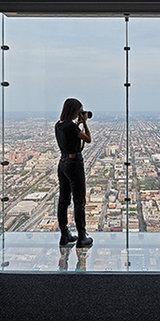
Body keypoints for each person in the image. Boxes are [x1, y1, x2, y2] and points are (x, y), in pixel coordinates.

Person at [55, 98, 93, 249]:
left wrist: (77, 124)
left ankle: (64, 235)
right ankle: (82, 237)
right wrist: (84, 123)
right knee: (79, 201)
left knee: (63, 199)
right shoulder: (72, 126)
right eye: (80, 110)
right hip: (74, 163)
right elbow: (88, 139)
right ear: (75, 110)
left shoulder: (59, 125)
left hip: (62, 163)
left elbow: (69, 137)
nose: (81, 113)